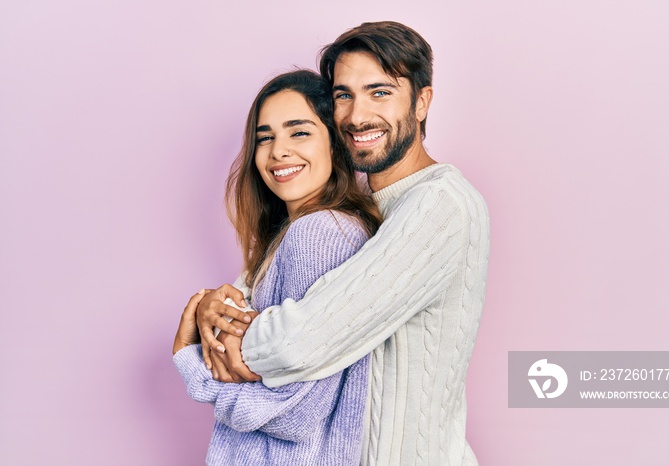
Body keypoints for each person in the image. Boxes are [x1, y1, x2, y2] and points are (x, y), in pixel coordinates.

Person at [197, 21, 490, 465]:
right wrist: (210, 306)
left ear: (422, 101)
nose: (356, 116)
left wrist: (220, 345)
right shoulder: (358, 208)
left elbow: (303, 340)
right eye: (343, 95)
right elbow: (258, 295)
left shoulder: (440, 204)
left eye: (380, 92)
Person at [172, 70, 382, 465]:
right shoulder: (293, 234)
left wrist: (192, 363)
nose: (278, 151)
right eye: (265, 137)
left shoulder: (319, 233)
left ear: (337, 146)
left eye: (298, 132)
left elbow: (298, 412)